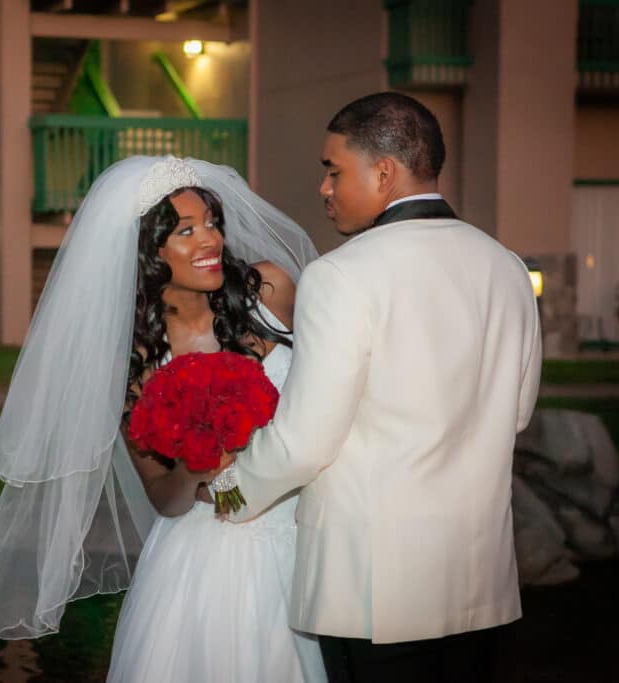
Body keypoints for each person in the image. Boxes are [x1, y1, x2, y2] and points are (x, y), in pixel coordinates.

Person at [227, 91, 543, 683]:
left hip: (373, 593)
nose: (323, 188)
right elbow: (517, 414)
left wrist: (226, 494)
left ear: (384, 171)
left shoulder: (340, 275)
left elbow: (305, 443)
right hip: (480, 585)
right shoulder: (507, 267)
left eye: (332, 169)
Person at [0, 156, 325, 682]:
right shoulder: (132, 363)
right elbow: (161, 493)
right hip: (208, 550)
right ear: (147, 250)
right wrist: (203, 463)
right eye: (185, 230)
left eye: (211, 224)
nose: (210, 241)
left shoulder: (271, 291)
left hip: (305, 530)